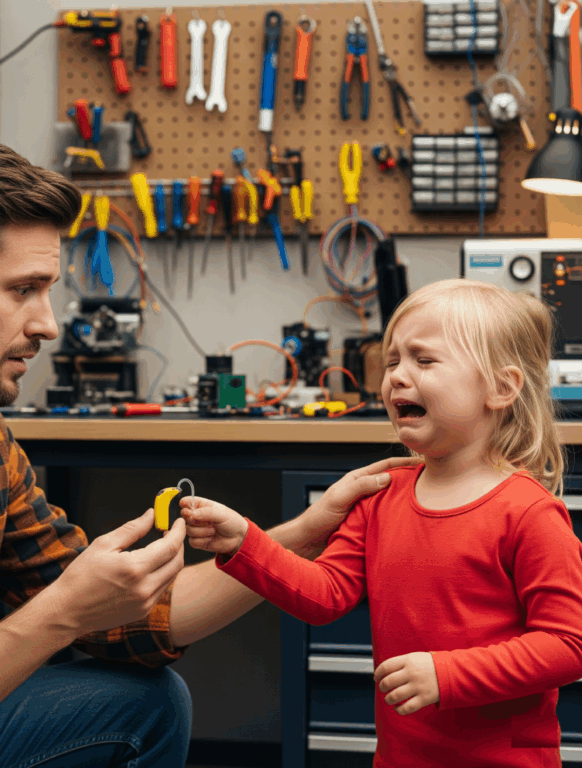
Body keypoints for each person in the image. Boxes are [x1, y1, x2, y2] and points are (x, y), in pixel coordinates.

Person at [0, 132, 421, 768]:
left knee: (146, 702)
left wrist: (298, 536)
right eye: (23, 289)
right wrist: (59, 614)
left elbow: (127, 621)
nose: (47, 323)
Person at [180, 277, 582, 767]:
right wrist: (246, 542)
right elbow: (326, 595)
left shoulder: (529, 512)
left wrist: (448, 675)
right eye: (393, 361)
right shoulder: (381, 497)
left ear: (501, 388)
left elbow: (566, 644)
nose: (396, 376)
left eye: (423, 360)